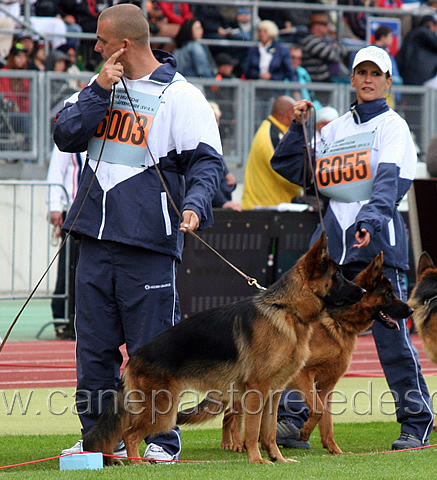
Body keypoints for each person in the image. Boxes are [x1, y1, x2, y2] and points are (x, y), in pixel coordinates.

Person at [53, 3, 224, 461]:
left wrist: (195, 203)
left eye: (101, 42)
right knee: (93, 354)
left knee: (154, 357)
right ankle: (98, 441)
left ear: (123, 45)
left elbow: (208, 162)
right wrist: (98, 91)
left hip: (148, 246)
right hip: (93, 243)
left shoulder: (182, 96)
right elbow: (65, 134)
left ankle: (161, 442)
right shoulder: (97, 87)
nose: (95, 48)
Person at [271, 46, 434, 451]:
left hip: (377, 249)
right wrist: (298, 128)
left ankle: (416, 422)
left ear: (388, 81)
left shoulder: (394, 127)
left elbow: (390, 184)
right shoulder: (333, 128)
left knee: (393, 342)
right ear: (352, 78)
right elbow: (294, 171)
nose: (367, 79)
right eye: (361, 72)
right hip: (333, 257)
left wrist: (369, 222)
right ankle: (291, 420)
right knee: (303, 335)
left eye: (375, 74)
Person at [47, 145, 85, 340]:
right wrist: (55, 206)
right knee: (68, 267)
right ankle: (62, 317)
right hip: (73, 211)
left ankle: (82, 318)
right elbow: (56, 172)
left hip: (95, 212)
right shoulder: (73, 133)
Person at [241, 96, 300, 210]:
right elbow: (286, 172)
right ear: (289, 114)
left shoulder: (273, 130)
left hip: (267, 206)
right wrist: (309, 183)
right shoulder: (272, 135)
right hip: (265, 208)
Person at [396, 15, 437, 88]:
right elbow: (433, 40)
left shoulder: (413, 35)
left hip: (411, 77)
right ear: (429, 24)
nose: (436, 29)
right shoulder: (422, 31)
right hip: (419, 77)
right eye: (435, 25)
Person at [301, 13, 349, 83]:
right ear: (316, 26)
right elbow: (333, 56)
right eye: (325, 24)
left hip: (333, 77)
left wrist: (334, 48)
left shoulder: (327, 39)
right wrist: (334, 48)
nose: (328, 27)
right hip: (320, 80)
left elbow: (344, 50)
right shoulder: (310, 40)